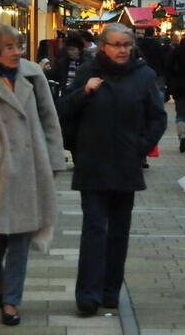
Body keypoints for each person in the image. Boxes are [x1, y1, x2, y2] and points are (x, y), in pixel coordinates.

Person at [0, 23, 66, 327]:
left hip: (30, 170)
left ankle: (11, 301)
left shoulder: (33, 74)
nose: (17, 52)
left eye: (19, 46)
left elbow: (49, 118)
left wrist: (53, 159)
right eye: (9, 47)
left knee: (20, 238)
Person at [59, 23, 167, 316]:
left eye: (126, 45)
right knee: (94, 229)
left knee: (119, 231)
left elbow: (157, 118)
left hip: (126, 164)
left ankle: (110, 292)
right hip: (93, 162)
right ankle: (88, 294)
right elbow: (64, 110)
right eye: (116, 44)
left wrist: (139, 147)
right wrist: (84, 92)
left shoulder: (144, 76)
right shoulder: (87, 72)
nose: (121, 50)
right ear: (103, 46)